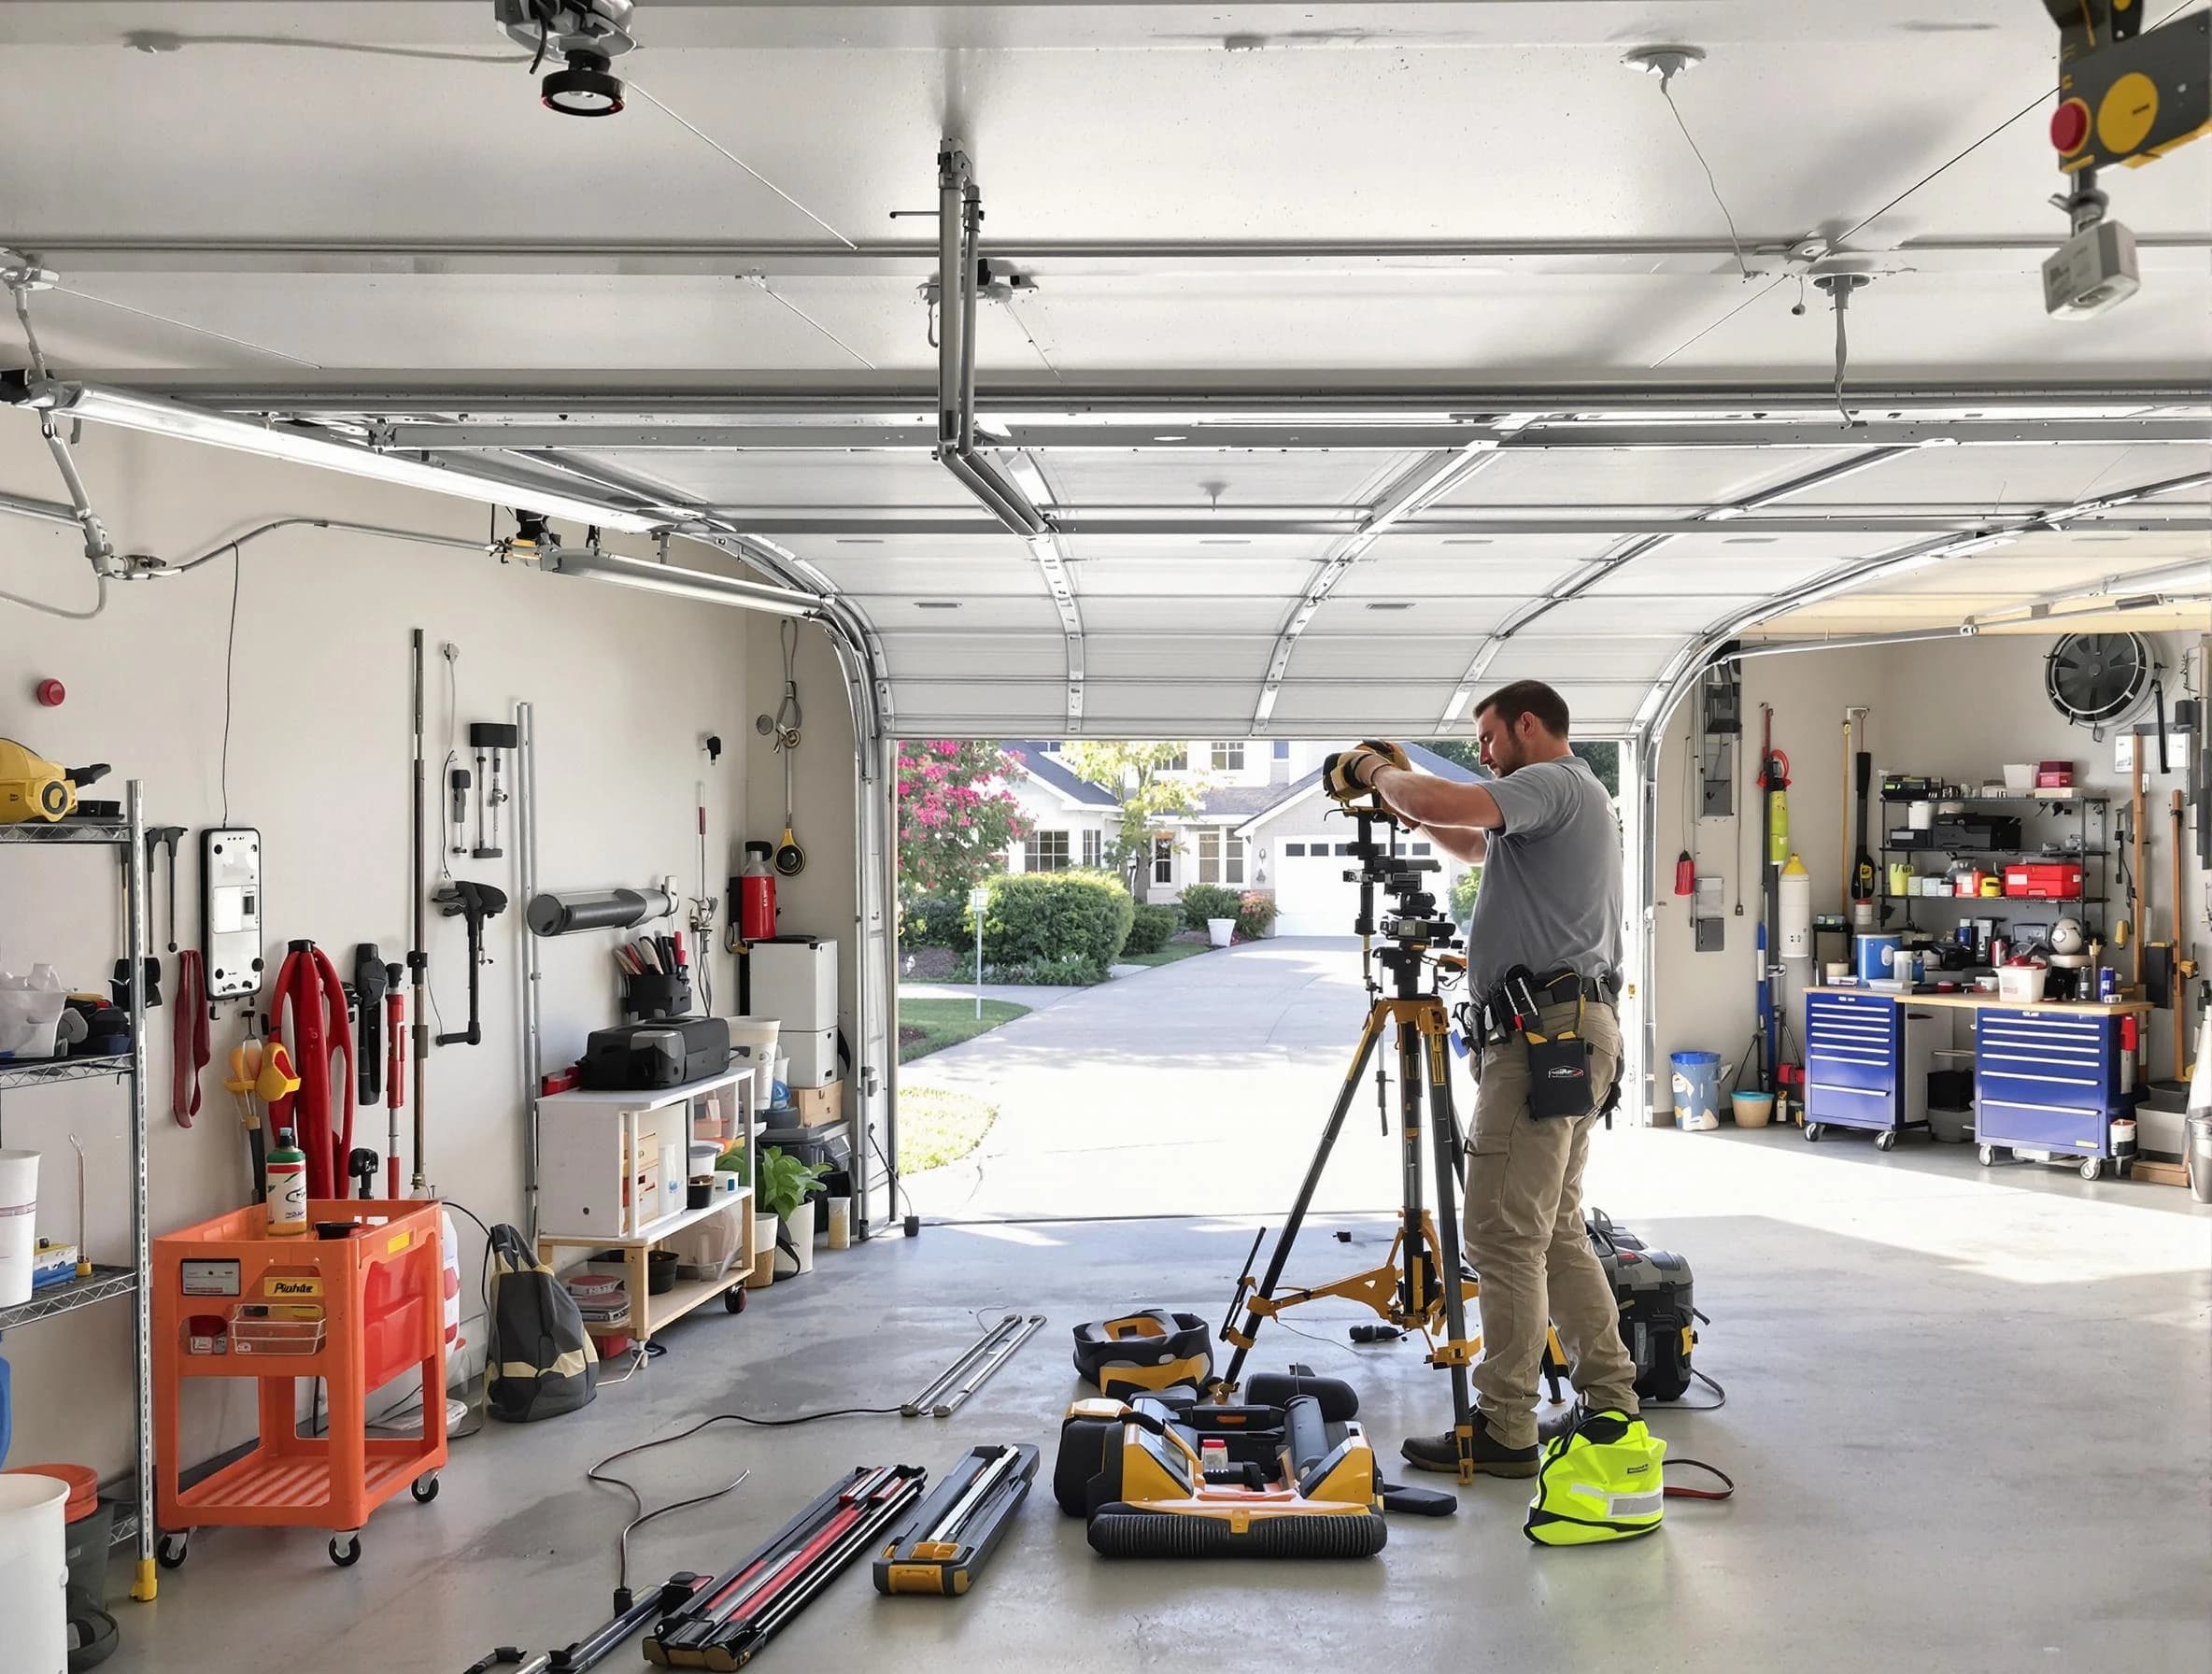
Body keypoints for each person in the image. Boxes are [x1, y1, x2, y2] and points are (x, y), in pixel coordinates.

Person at [1330, 679, 1637, 1480]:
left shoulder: (1551, 781)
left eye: (1489, 738)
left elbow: (1459, 804)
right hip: (1570, 1029)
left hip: (1544, 1035)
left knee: (1503, 1235)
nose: (1483, 755)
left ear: (1528, 726)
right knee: (1556, 1230)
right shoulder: (1564, 802)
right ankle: (1610, 1398)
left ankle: (1506, 1427)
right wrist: (1412, 804)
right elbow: (1466, 839)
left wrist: (1373, 772)